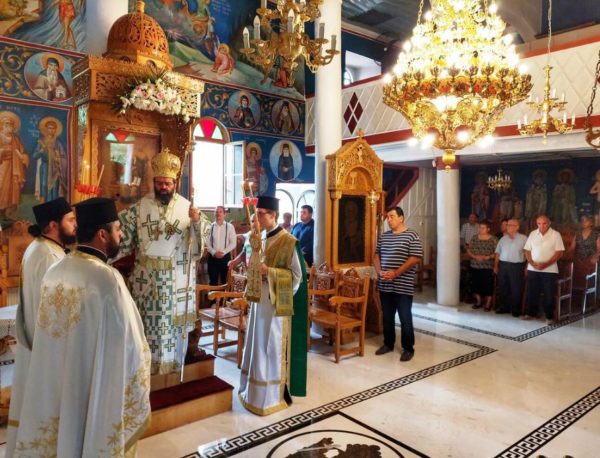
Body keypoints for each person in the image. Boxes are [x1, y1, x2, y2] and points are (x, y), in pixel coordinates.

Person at [14, 197, 150, 457]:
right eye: (118, 229)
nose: (121, 235)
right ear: (102, 234)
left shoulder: (55, 271)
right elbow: (130, 342)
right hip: (89, 384)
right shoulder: (106, 279)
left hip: (57, 381)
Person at [118, 148, 203, 374]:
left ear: (175, 183)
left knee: (169, 329)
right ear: (154, 182)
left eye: (167, 183)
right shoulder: (140, 207)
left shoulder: (188, 208)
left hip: (174, 283)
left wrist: (196, 222)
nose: (163, 187)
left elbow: (198, 249)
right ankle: (142, 371)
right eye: (159, 183)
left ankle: (171, 371)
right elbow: (120, 236)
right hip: (146, 284)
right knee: (145, 327)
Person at [6, 198, 76, 457]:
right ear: (53, 225)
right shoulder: (49, 256)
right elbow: (55, 310)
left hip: (37, 347)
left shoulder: (39, 247)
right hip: (48, 351)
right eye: (70, 220)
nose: (76, 225)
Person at [239, 195, 308, 415]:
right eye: (256, 213)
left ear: (273, 215)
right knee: (256, 344)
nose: (257, 218)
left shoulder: (288, 241)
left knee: (270, 347)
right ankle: (253, 392)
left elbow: (297, 276)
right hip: (258, 301)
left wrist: (269, 272)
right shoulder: (259, 237)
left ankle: (270, 397)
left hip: (275, 303)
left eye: (261, 214)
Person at [374, 206, 423, 362]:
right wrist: (380, 272)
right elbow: (376, 255)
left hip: (403, 286)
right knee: (387, 317)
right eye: (388, 217)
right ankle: (388, 344)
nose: (389, 220)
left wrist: (396, 273)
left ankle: (408, 348)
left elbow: (415, 258)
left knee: (405, 318)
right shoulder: (384, 236)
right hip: (385, 285)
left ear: (401, 218)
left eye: (392, 216)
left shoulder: (412, 235)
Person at [523, 215, 565, 324]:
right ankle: (531, 313)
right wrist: (531, 262)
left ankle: (549, 317)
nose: (542, 226)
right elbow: (527, 250)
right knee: (532, 292)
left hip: (549, 270)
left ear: (549, 223)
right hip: (533, 268)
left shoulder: (556, 234)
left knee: (549, 293)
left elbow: (559, 253)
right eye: (539, 223)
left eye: (544, 223)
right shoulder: (533, 234)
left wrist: (545, 264)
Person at [494, 219, 527, 316]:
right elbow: (497, 253)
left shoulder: (524, 238)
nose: (507, 227)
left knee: (516, 288)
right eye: (507, 225)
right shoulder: (503, 239)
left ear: (517, 227)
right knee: (503, 286)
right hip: (503, 265)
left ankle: (515, 309)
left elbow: (528, 254)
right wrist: (495, 266)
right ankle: (504, 307)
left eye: (510, 225)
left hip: (516, 266)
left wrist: (527, 267)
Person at [0, 111, 29, 219]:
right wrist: (3, 151)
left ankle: (8, 211)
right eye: (7, 124)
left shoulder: (15, 139)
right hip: (2, 166)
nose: (10, 127)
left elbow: (21, 151)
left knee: (12, 188)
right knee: (1, 186)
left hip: (14, 167)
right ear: (3, 125)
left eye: (12, 125)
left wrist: (24, 157)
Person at [33, 117, 67, 203]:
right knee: (44, 186)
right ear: (46, 129)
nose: (51, 130)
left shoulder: (58, 143)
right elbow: (34, 155)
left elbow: (63, 157)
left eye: (53, 128)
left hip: (55, 169)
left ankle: (54, 207)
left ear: (55, 130)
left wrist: (58, 158)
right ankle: (43, 206)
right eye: (49, 128)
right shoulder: (41, 141)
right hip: (45, 168)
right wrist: (41, 151)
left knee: (55, 188)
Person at [466, 220, 497, 311]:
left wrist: (488, 257)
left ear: (488, 229)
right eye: (480, 227)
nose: (480, 229)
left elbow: (497, 252)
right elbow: (469, 249)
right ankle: (478, 301)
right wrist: (474, 256)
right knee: (476, 284)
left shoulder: (493, 239)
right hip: (475, 265)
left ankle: (488, 304)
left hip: (487, 266)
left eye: (483, 228)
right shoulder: (474, 237)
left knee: (488, 285)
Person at [205, 205, 236, 285]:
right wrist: (214, 252)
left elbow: (233, 243)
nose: (218, 214)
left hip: (225, 257)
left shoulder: (230, 227)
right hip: (212, 257)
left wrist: (223, 252)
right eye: (216, 212)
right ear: (214, 214)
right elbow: (206, 242)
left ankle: (224, 294)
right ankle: (213, 294)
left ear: (224, 214)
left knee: (225, 282)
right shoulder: (210, 226)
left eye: (220, 212)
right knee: (212, 281)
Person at [339, 199, 364, 264]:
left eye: (352, 211)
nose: (350, 213)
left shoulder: (359, 224)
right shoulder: (341, 224)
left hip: (356, 254)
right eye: (348, 211)